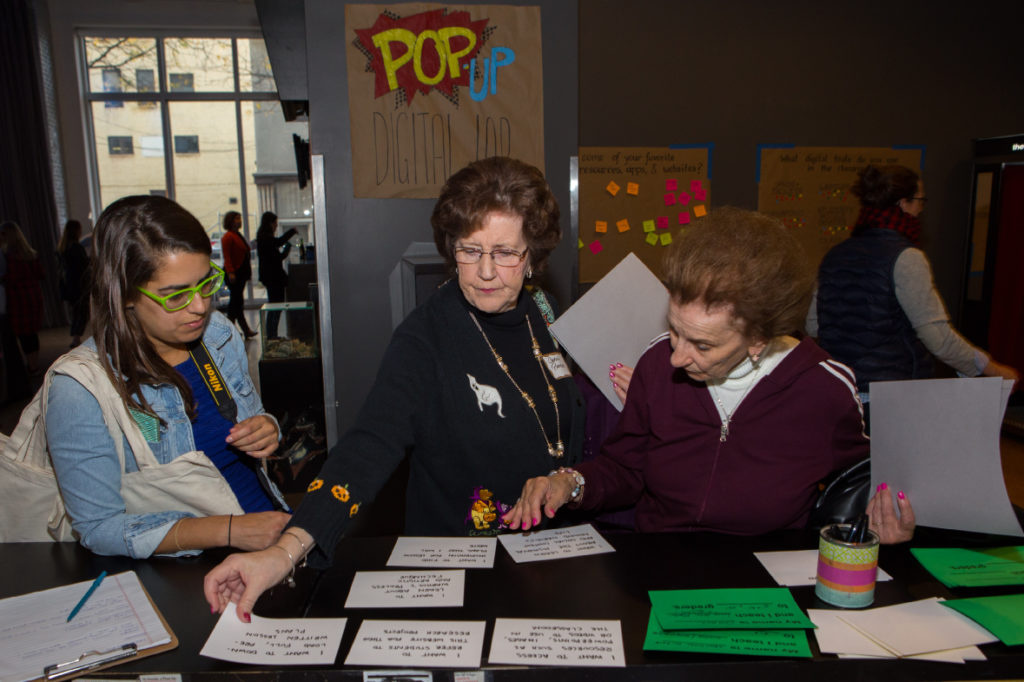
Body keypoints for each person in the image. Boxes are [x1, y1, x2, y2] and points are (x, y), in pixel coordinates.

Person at [204, 157, 585, 620]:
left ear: (532, 258)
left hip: (552, 554)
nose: (486, 271)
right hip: (463, 567)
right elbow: (369, 446)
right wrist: (286, 551)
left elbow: (562, 414)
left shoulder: (543, 309)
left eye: (506, 252)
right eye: (470, 250)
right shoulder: (426, 336)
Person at [504, 207, 915, 545]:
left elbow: (860, 482)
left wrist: (883, 521)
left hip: (764, 578)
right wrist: (570, 483)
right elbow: (625, 469)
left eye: (701, 345)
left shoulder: (822, 389)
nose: (676, 357)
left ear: (760, 338)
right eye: (674, 330)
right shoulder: (656, 364)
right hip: (660, 564)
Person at [44, 195, 290, 558]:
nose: (200, 306)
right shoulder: (80, 388)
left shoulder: (219, 333)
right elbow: (98, 527)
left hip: (272, 532)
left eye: (206, 283)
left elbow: (254, 421)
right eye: (175, 296)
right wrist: (228, 530)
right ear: (125, 293)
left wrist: (267, 428)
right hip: (191, 567)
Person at [810, 164, 1018, 423]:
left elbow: (814, 324)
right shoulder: (907, 258)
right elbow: (938, 338)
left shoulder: (834, 255)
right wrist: (990, 367)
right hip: (894, 397)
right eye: (920, 200)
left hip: (841, 394)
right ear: (903, 203)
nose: (922, 208)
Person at [0, 221, 45, 373]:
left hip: (18, 299)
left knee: (23, 333)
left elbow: (8, 278)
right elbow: (41, 274)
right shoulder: (30, 254)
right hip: (32, 296)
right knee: (31, 332)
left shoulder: (7, 257)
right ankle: (33, 363)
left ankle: (31, 364)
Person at [255, 211, 297, 339]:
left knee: (275, 306)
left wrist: (285, 251)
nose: (276, 226)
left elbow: (277, 254)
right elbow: (278, 245)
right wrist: (291, 232)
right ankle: (271, 335)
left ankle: (272, 334)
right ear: (270, 223)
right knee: (275, 306)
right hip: (273, 277)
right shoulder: (265, 238)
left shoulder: (263, 237)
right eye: (275, 224)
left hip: (270, 277)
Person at [221, 210, 257, 339]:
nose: (239, 221)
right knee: (236, 303)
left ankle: (239, 330)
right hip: (234, 273)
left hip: (240, 273)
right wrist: (231, 272)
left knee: (237, 303)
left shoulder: (237, 235)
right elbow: (227, 256)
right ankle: (233, 331)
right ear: (230, 221)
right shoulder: (228, 236)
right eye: (237, 218)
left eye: (240, 218)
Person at [57, 219, 91, 348]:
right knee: (81, 312)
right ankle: (77, 337)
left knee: (76, 312)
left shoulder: (63, 247)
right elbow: (83, 265)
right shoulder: (76, 247)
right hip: (79, 285)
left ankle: (76, 336)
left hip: (69, 285)